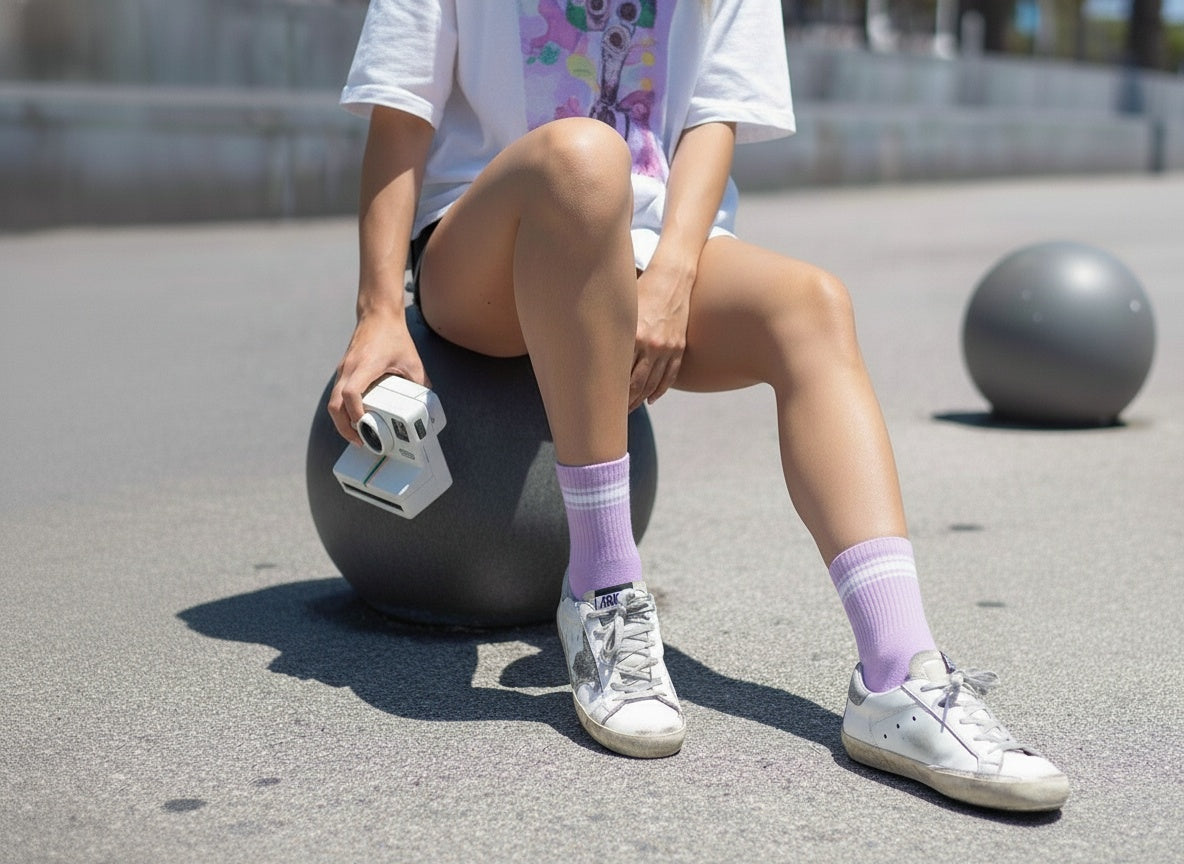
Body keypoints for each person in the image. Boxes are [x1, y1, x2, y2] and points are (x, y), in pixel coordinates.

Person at [327, 0, 1069, 812]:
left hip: (653, 250)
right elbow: (400, 111)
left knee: (812, 307)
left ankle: (898, 676)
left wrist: (674, 273)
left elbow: (714, 116)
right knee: (584, 156)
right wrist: (379, 310)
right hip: (486, 259)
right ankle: (602, 590)